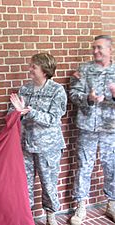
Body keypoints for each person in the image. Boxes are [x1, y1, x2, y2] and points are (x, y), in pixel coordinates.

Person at [8, 53, 67, 225]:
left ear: (45, 70)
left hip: (48, 147)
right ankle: (27, 217)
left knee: (48, 184)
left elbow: (53, 119)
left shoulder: (57, 91)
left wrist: (29, 111)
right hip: (26, 145)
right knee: (25, 185)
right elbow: (12, 114)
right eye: (31, 65)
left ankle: (50, 216)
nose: (30, 69)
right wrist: (16, 112)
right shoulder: (24, 89)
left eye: (34, 66)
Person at [69, 35, 115, 225]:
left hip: (110, 127)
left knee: (111, 166)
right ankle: (80, 206)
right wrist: (88, 98)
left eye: (99, 48)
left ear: (110, 49)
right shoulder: (84, 70)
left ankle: (111, 204)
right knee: (84, 166)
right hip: (87, 126)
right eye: (94, 48)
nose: (95, 51)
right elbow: (73, 94)